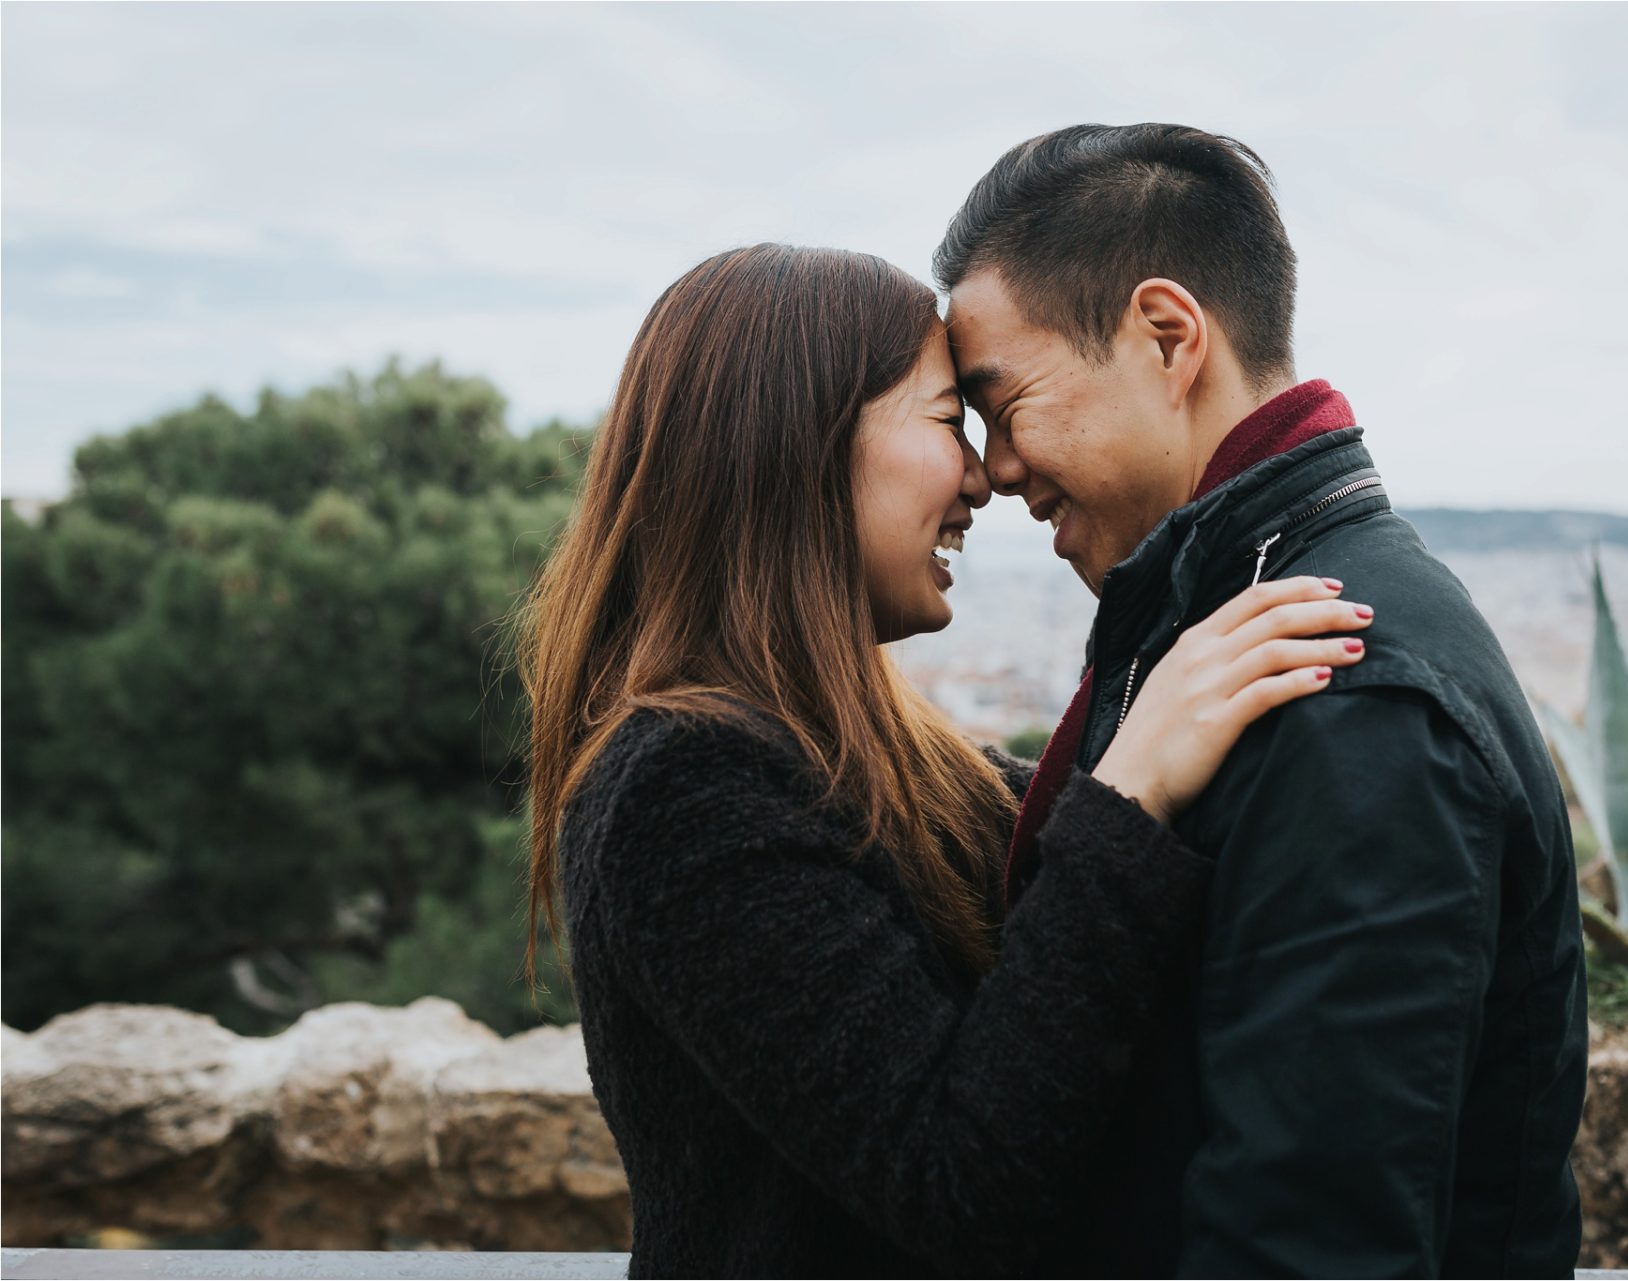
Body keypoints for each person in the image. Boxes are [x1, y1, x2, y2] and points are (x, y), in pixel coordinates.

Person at [514, 242, 1373, 1277]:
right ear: (798, 446)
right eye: (943, 423)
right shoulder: (683, 788)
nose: (982, 476)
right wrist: (1131, 788)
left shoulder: (870, 752)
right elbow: (960, 1185)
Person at [937, 123, 1589, 1277]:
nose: (993, 470)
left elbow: (1308, 1242)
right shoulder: (1229, 629)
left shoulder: (1341, 691)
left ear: (1167, 336)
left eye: (1005, 403)